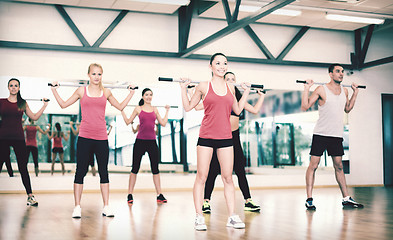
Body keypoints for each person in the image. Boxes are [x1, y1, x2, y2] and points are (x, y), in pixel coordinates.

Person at [51, 63, 135, 218]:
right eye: (94, 74)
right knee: (80, 172)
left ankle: (106, 206)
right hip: (84, 137)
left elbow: (121, 106)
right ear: (88, 75)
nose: (97, 77)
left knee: (104, 172)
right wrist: (54, 90)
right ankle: (77, 207)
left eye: (99, 74)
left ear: (102, 76)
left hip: (101, 138)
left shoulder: (106, 92)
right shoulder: (81, 91)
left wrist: (131, 93)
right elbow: (63, 105)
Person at [180, 53, 250, 231]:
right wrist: (183, 88)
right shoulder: (204, 86)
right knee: (202, 177)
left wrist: (247, 92)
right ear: (210, 66)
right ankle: (198, 216)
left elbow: (237, 109)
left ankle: (232, 216)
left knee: (228, 178)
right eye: (218, 63)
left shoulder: (230, 88)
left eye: (225, 63)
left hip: (226, 138)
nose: (222, 66)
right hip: (206, 138)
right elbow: (189, 107)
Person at [301, 63, 363, 210]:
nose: (341, 74)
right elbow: (305, 106)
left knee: (339, 166)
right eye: (338, 71)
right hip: (321, 134)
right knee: (314, 165)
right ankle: (309, 199)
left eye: (342, 71)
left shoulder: (345, 91)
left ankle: (346, 198)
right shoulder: (321, 89)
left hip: (336, 135)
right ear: (330, 74)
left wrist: (355, 93)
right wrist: (306, 88)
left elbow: (347, 109)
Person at [201, 72, 265, 213]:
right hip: (219, 138)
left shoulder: (237, 98)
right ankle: (206, 202)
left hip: (234, 138)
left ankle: (248, 201)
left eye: (233, 79)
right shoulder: (219, 95)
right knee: (213, 171)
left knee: (240, 171)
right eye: (227, 79)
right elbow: (201, 106)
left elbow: (254, 110)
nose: (230, 81)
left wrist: (262, 96)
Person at [0, 78, 48, 206]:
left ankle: (30, 196)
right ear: (8, 87)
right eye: (11, 85)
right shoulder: (2, 102)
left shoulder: (22, 103)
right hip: (3, 138)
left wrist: (44, 105)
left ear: (19, 88)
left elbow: (34, 117)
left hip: (18, 138)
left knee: (23, 168)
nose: (14, 87)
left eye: (16, 85)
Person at [121, 88, 170, 204]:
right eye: (147, 95)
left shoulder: (155, 109)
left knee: (155, 170)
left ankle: (159, 194)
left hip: (152, 142)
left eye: (150, 95)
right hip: (140, 142)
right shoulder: (138, 109)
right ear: (143, 96)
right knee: (135, 169)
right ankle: (129, 194)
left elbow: (163, 123)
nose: (149, 97)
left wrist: (167, 111)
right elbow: (128, 121)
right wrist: (122, 110)